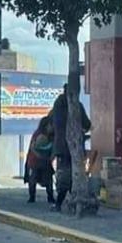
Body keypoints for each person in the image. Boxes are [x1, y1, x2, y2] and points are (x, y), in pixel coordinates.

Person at [51, 84, 91, 212]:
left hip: (61, 148)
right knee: (77, 174)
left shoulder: (58, 105)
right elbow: (87, 124)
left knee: (63, 174)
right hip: (76, 147)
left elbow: (52, 122)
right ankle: (74, 199)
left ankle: (59, 203)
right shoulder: (77, 105)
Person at [24, 116, 55, 204]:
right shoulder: (38, 135)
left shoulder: (51, 136)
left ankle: (50, 197)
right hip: (35, 161)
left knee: (49, 180)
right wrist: (40, 156)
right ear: (45, 126)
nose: (52, 127)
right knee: (33, 179)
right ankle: (32, 197)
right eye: (50, 125)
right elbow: (33, 148)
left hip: (45, 161)